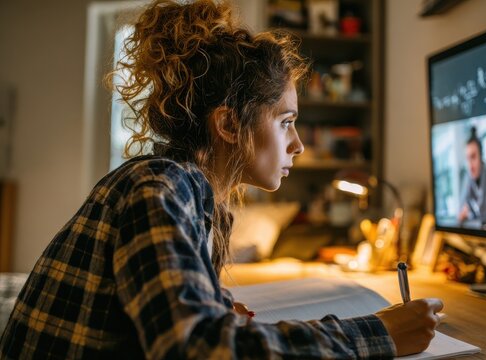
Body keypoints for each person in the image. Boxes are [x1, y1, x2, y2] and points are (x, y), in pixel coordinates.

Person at [0, 1, 443, 358]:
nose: (298, 145)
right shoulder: (161, 188)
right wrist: (377, 333)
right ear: (229, 125)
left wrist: (211, 306)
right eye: (286, 121)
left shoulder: (192, 196)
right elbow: (198, 348)